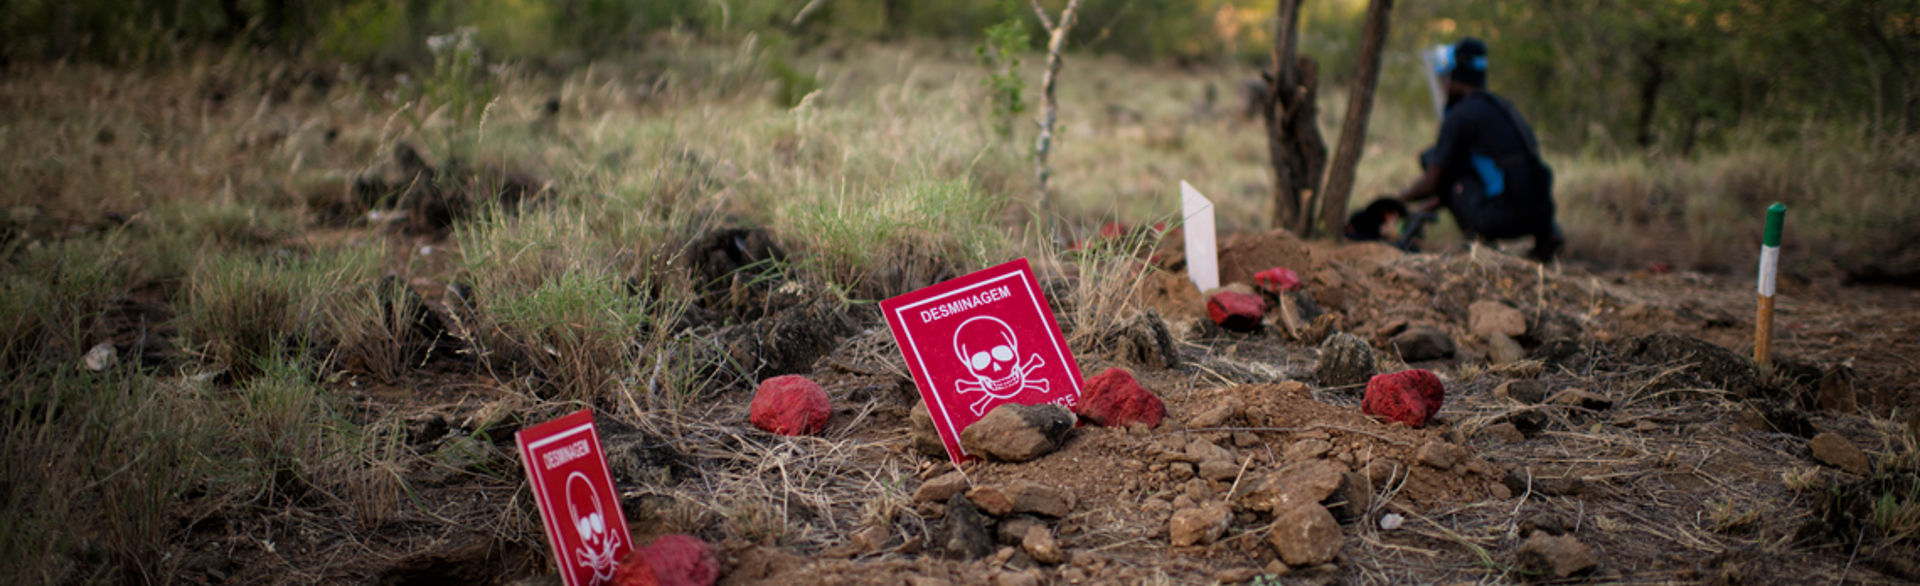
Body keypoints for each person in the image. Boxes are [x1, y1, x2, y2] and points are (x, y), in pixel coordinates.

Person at [1392, 37, 1563, 262]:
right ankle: (1547, 236)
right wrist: (1425, 208)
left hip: (1500, 218)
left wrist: (1394, 203)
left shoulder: (1460, 115)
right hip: (1540, 216)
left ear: (1453, 76)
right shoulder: (1502, 108)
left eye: (1444, 77)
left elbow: (1433, 183)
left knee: (1433, 159)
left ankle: (1477, 247)